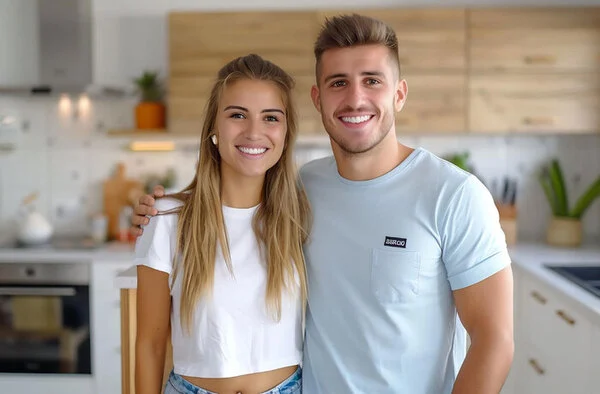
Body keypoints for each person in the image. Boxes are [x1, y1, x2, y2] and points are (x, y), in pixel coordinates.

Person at [132, 14, 514, 394]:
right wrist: (159, 210)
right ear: (318, 98)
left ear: (399, 93)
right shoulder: (301, 191)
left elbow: (494, 340)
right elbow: (232, 202)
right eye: (338, 83)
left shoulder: (454, 195)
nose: (355, 98)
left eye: (372, 81)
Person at [133, 53, 310, 394]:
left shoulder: (302, 218)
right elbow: (149, 345)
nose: (254, 132)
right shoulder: (166, 220)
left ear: (286, 133)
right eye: (237, 115)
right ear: (214, 126)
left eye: (271, 117)